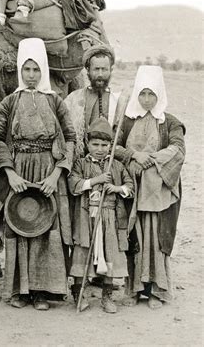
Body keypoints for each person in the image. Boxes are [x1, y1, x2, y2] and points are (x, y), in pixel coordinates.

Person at [0, 38, 75, 310]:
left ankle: (44, 292)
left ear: (43, 70)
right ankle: (19, 290)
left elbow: (70, 138)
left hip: (47, 169)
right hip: (19, 169)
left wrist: (56, 174)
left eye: (36, 70)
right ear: (20, 71)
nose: (31, 76)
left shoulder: (55, 101)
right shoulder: (9, 102)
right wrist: (10, 173)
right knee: (20, 223)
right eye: (27, 70)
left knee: (46, 226)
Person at [115, 65, 185, 309]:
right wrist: (134, 155)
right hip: (133, 189)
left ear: (159, 94)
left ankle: (157, 290)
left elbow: (177, 149)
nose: (146, 100)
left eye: (151, 94)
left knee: (155, 239)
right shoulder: (127, 120)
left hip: (158, 193)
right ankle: (133, 290)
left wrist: (150, 159)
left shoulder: (170, 122)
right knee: (134, 236)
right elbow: (116, 148)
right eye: (142, 94)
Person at [68, 117, 134, 313]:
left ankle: (107, 297)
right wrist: (95, 180)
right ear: (87, 144)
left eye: (104, 145)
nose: (100, 149)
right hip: (86, 217)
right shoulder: (80, 163)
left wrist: (116, 187)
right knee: (83, 252)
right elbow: (74, 185)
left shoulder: (117, 165)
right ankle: (79, 294)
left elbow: (130, 187)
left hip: (109, 218)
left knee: (110, 252)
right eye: (95, 144)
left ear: (110, 145)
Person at [64, 44, 128, 162]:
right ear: (88, 70)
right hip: (78, 163)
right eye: (96, 69)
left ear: (111, 71)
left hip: (112, 162)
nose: (100, 74)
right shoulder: (73, 99)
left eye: (104, 69)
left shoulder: (120, 101)